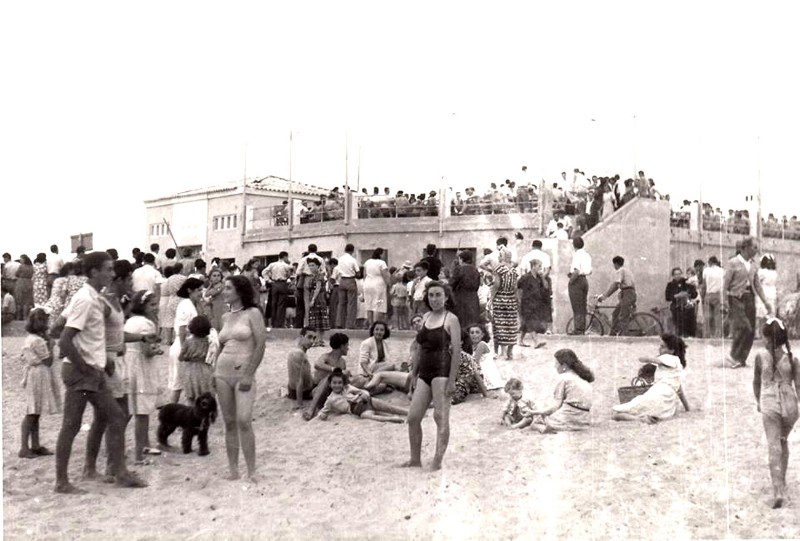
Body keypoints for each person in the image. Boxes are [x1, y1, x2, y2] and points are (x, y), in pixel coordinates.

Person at [55, 251, 146, 493]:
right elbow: (63, 339)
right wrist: (85, 366)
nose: (112, 273)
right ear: (94, 272)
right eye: (108, 269)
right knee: (73, 425)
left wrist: (97, 361)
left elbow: (71, 332)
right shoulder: (86, 299)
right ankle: (63, 482)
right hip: (80, 371)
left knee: (114, 416)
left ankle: (119, 472)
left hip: (91, 369)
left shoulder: (93, 297)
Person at [403, 281, 461, 470]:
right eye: (431, 295)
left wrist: (452, 380)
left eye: (438, 295)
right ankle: (415, 459)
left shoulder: (451, 319)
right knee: (413, 417)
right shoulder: (426, 317)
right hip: (424, 372)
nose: (434, 299)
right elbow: (419, 347)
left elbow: (457, 352)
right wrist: (413, 373)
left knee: (440, 417)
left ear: (446, 297)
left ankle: (437, 460)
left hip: (442, 372)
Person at [216, 275, 268, 482]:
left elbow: (261, 345)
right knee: (229, 422)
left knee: (244, 420)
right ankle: (233, 470)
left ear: (239, 291)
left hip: (243, 373)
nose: (224, 291)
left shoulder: (253, 313)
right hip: (222, 373)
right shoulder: (224, 317)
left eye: (228, 288)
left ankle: (252, 470)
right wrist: (214, 371)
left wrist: (249, 374)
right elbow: (221, 346)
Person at [753, 318, 800, 509]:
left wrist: (758, 402)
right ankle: (783, 480)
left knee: (773, 444)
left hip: (770, 401)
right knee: (782, 440)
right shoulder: (793, 358)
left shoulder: (760, 356)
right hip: (790, 404)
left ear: (766, 338)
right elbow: (799, 385)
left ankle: (778, 489)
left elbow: (756, 383)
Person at [612, 333, 691, 423]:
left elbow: (656, 360)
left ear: (672, 350)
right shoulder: (676, 367)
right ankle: (643, 418)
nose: (659, 349)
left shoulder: (670, 358)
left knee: (617, 414)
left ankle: (639, 419)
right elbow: (679, 390)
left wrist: (646, 359)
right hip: (667, 403)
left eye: (662, 346)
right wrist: (687, 408)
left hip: (659, 394)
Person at [123, 290, 162, 463]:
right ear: (143, 306)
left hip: (129, 365)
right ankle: (139, 454)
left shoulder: (130, 321)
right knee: (142, 412)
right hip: (142, 368)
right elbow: (147, 351)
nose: (156, 308)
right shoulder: (147, 324)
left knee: (129, 408)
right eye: (152, 305)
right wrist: (157, 350)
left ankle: (122, 445)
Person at [724, 237, 773, 368]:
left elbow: (757, 285)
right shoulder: (732, 263)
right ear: (745, 247)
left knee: (751, 331)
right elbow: (725, 285)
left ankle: (741, 358)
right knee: (745, 327)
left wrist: (766, 302)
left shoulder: (754, 264)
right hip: (735, 298)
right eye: (754, 247)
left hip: (749, 298)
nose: (757, 250)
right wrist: (724, 302)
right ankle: (734, 356)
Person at [18, 308, 61, 458]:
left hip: (36, 374)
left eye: (44, 320)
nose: (43, 323)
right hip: (38, 374)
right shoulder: (38, 341)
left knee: (35, 412)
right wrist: (50, 344)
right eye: (41, 320)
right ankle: (24, 447)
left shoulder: (31, 338)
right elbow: (48, 361)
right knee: (32, 412)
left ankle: (34, 445)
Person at [530, 349, 594, 433]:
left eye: (556, 363)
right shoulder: (581, 377)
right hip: (585, 420)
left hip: (568, 418)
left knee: (535, 421)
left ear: (564, 366)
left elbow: (556, 406)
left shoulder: (563, 378)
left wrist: (534, 412)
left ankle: (544, 428)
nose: (554, 366)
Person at [315, 369, 408, 423]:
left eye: (340, 383)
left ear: (343, 383)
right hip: (357, 410)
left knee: (389, 407)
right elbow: (324, 410)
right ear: (330, 385)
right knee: (368, 416)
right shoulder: (330, 399)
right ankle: (392, 419)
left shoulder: (347, 388)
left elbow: (362, 391)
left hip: (366, 401)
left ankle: (407, 412)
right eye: (334, 383)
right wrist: (322, 415)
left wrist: (364, 395)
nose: (337, 385)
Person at [168, 277, 204, 404]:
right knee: (177, 384)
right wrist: (185, 350)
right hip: (182, 345)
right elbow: (182, 329)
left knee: (187, 383)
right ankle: (171, 411)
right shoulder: (185, 305)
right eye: (198, 290)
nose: (201, 292)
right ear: (190, 290)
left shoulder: (193, 305)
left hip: (188, 345)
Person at [302, 332, 351, 420]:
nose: (348, 348)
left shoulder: (342, 362)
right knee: (329, 377)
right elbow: (317, 364)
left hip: (333, 394)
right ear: (342, 346)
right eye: (347, 345)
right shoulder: (326, 357)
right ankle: (311, 410)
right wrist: (335, 370)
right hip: (317, 392)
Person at [180, 315, 218, 403]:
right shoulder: (209, 341)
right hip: (205, 368)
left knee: (191, 397)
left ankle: (192, 414)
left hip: (191, 370)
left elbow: (181, 357)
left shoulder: (188, 342)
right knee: (207, 396)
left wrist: (188, 357)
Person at [596, 256, 637, 336]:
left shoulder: (620, 271)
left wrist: (605, 296)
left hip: (627, 294)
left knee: (623, 316)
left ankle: (624, 337)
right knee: (616, 314)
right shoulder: (627, 270)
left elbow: (615, 285)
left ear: (615, 264)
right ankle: (613, 334)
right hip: (629, 293)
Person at [491, 249, 519, 360]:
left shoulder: (499, 268)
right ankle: (510, 351)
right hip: (511, 299)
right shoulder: (513, 270)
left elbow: (497, 284)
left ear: (502, 257)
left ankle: (502, 352)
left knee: (500, 325)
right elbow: (515, 287)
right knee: (511, 325)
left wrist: (492, 297)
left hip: (500, 299)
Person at [451, 330, 490, 405]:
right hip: (455, 378)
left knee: (457, 391)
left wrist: (485, 395)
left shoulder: (464, 356)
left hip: (469, 380)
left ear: (461, 342)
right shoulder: (446, 354)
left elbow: (476, 374)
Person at [517, 259, 549, 348]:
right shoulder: (526, 277)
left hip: (536, 303)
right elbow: (517, 287)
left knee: (525, 323)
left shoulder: (539, 278)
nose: (540, 268)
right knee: (531, 322)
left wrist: (542, 277)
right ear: (533, 266)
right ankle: (536, 342)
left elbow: (546, 287)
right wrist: (518, 299)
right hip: (526, 303)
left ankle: (520, 340)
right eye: (539, 266)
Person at [286, 327, 317, 410]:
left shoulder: (299, 351)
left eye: (314, 338)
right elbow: (298, 380)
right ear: (301, 337)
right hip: (304, 393)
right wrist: (299, 404)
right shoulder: (298, 353)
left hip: (295, 390)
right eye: (309, 337)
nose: (312, 341)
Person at [449, 250, 481, 329]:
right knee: (473, 323)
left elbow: (452, 283)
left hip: (461, 299)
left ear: (462, 259)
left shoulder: (459, 270)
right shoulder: (476, 270)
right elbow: (477, 285)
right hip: (474, 298)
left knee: (461, 323)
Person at [568, 237, 592, 335]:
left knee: (576, 305)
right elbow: (590, 271)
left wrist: (570, 281)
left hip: (577, 281)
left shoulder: (577, 255)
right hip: (584, 280)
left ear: (574, 245)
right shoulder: (587, 255)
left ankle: (578, 329)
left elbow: (576, 271)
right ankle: (582, 328)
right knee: (583, 305)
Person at [665, 267, 698, 338]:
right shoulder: (670, 285)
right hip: (676, 306)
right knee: (678, 322)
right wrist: (676, 296)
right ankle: (680, 335)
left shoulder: (687, 282)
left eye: (679, 274)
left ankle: (690, 335)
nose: (678, 276)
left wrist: (688, 293)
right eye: (676, 274)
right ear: (673, 276)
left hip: (687, 305)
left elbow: (694, 294)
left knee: (689, 321)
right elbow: (667, 297)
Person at [362, 248, 390, 326]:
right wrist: (389, 284)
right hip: (378, 285)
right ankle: (377, 324)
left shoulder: (367, 262)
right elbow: (385, 275)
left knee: (369, 305)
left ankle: (371, 324)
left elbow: (364, 274)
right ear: (380, 254)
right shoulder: (382, 263)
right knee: (379, 304)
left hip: (368, 284)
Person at [305, 257, 330, 340]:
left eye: (313, 265)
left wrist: (313, 299)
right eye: (310, 266)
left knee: (319, 318)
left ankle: (320, 339)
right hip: (314, 296)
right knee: (316, 319)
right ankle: (318, 340)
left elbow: (318, 288)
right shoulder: (313, 276)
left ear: (318, 266)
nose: (311, 267)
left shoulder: (319, 275)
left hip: (319, 298)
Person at [336, 244, 360, 329]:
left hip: (342, 281)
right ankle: (350, 324)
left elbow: (337, 271)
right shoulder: (353, 260)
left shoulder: (340, 259)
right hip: (350, 280)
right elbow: (358, 273)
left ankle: (339, 323)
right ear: (352, 251)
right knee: (351, 304)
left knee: (341, 303)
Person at [701, 256, 724, 338]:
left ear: (710, 262)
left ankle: (706, 334)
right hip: (718, 295)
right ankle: (718, 335)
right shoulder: (722, 271)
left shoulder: (706, 270)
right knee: (717, 316)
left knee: (707, 316)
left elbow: (704, 285)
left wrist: (702, 296)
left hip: (708, 294)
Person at [755, 255, 778, 339]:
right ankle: (770, 333)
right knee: (770, 314)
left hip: (763, 291)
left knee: (760, 314)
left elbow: (757, 282)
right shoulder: (774, 273)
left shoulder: (761, 272)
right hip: (772, 292)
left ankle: (758, 333)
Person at [15, 254, 34, 320]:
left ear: (24, 260)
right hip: (29, 282)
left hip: (21, 282)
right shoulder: (32, 267)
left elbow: (16, 274)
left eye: (21, 259)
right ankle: (25, 316)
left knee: (19, 301)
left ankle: (18, 317)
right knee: (27, 301)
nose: (20, 260)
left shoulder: (21, 266)